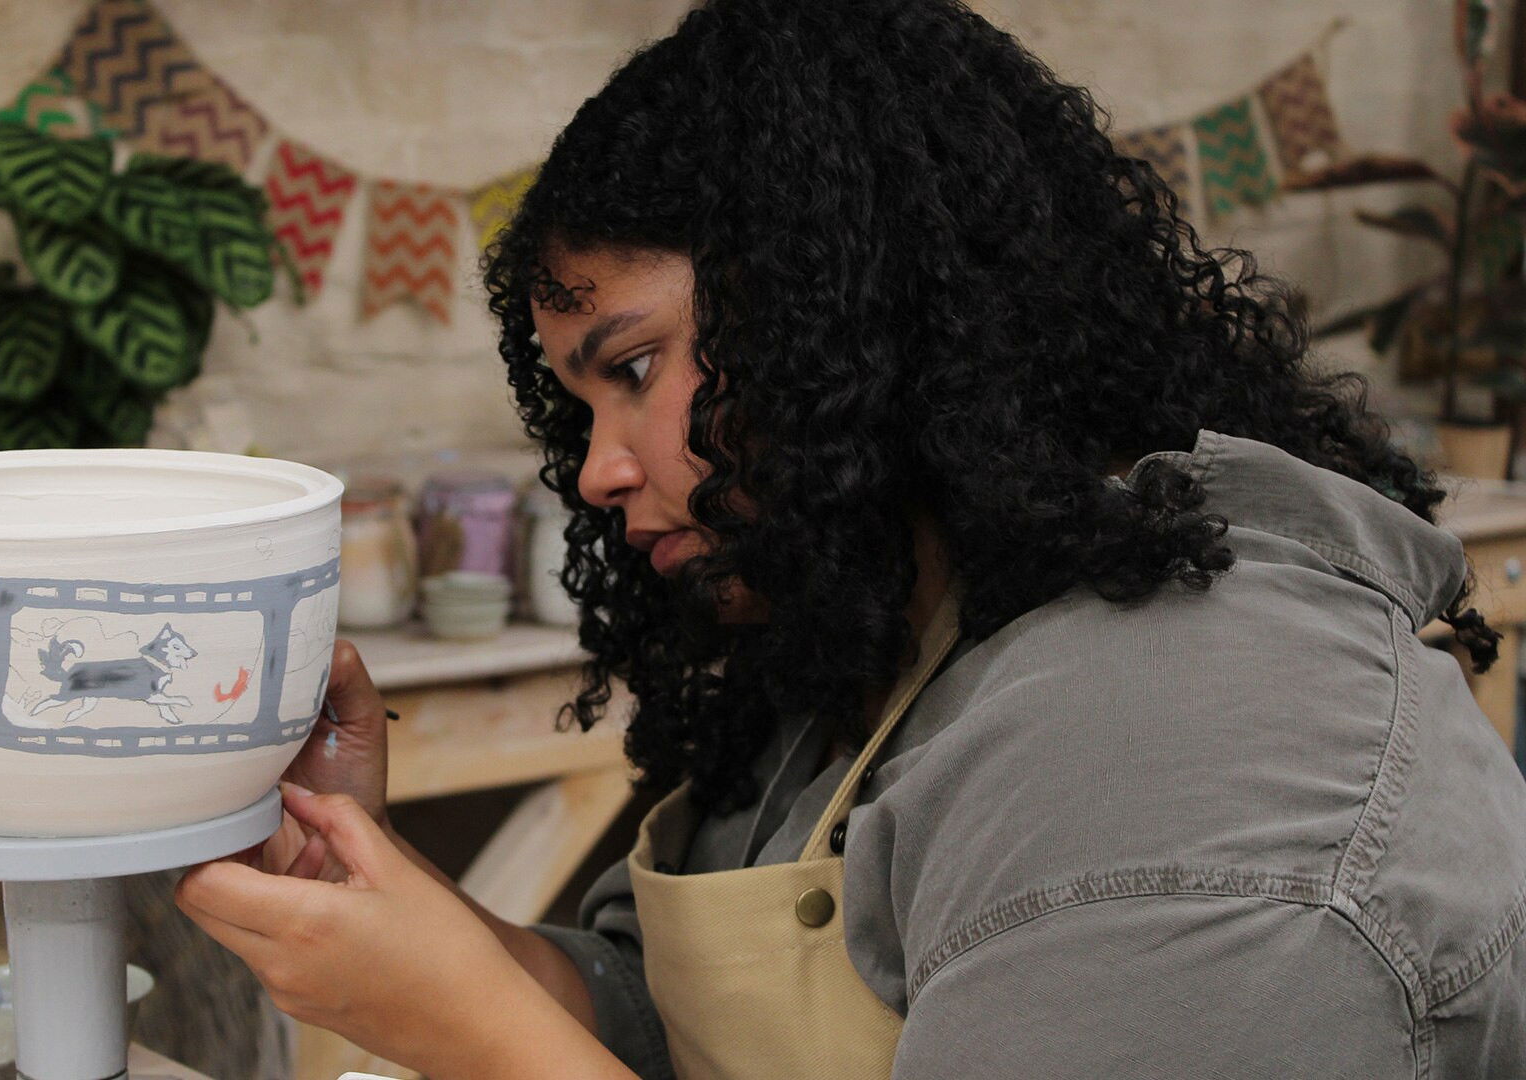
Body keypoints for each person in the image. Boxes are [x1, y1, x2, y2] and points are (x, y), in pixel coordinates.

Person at [175, 0, 1526, 1075]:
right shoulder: (887, 622)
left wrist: (468, 1030)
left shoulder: (1205, 753)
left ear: (841, 310)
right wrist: (381, 891)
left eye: (634, 369)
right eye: (577, 404)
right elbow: (667, 1026)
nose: (593, 471)